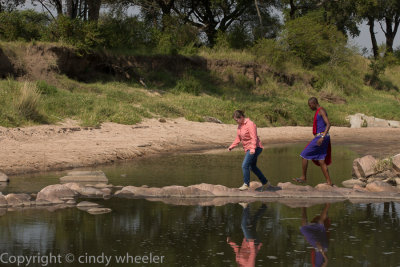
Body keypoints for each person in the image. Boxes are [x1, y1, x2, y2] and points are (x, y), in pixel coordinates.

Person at [293, 97, 333, 186]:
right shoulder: (319, 111)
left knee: (304, 154)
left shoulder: (321, 110)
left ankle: (303, 177)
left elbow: (328, 124)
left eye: (310, 105)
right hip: (323, 137)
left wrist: (322, 137)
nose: (310, 107)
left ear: (314, 103)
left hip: (321, 136)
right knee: (321, 160)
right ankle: (329, 182)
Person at [228, 110, 270, 191]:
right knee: (252, 167)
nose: (236, 122)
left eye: (237, 120)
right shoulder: (240, 125)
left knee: (245, 165)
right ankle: (266, 183)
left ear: (241, 117)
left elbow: (253, 137)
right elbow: (238, 138)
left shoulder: (250, 124)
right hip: (249, 148)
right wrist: (231, 146)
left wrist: (252, 148)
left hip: (255, 148)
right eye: (235, 120)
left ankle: (246, 184)